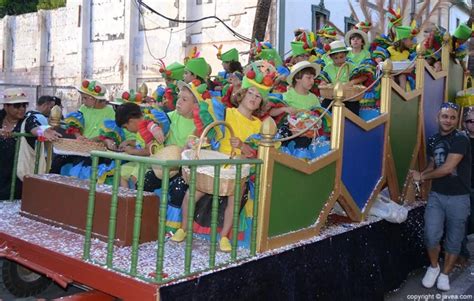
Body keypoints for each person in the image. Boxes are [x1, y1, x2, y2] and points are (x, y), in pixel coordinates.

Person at [171, 76, 267, 252]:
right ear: (242, 95)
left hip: (239, 168)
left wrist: (243, 146)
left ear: (261, 103)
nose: (253, 98)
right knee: (192, 191)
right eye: (250, 93)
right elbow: (206, 114)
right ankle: (183, 228)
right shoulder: (227, 113)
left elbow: (258, 153)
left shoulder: (260, 126)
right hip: (215, 163)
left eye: (258, 96)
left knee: (235, 196)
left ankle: (224, 237)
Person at [411, 102, 471, 291]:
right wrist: (421, 175)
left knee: (454, 238)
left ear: (457, 120)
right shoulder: (432, 140)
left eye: (453, 117)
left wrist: (422, 176)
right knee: (431, 235)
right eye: (445, 116)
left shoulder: (461, 139)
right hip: (437, 195)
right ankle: (434, 266)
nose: (448, 120)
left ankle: (445, 273)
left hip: (459, 197)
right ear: (438, 118)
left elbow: (447, 168)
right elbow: (433, 165)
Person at [0, 88, 60, 200]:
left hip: (16, 177)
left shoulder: (28, 120)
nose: (22, 109)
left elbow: (35, 128)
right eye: (17, 106)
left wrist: (44, 131)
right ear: (6, 106)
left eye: (24, 105)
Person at [318, 40, 371, 115]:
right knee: (324, 109)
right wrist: (323, 83)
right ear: (331, 57)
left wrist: (352, 82)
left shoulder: (351, 66)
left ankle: (352, 124)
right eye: (336, 58)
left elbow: (365, 76)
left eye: (341, 57)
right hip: (332, 96)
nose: (339, 60)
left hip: (350, 96)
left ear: (346, 55)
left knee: (353, 110)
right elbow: (324, 79)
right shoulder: (327, 68)